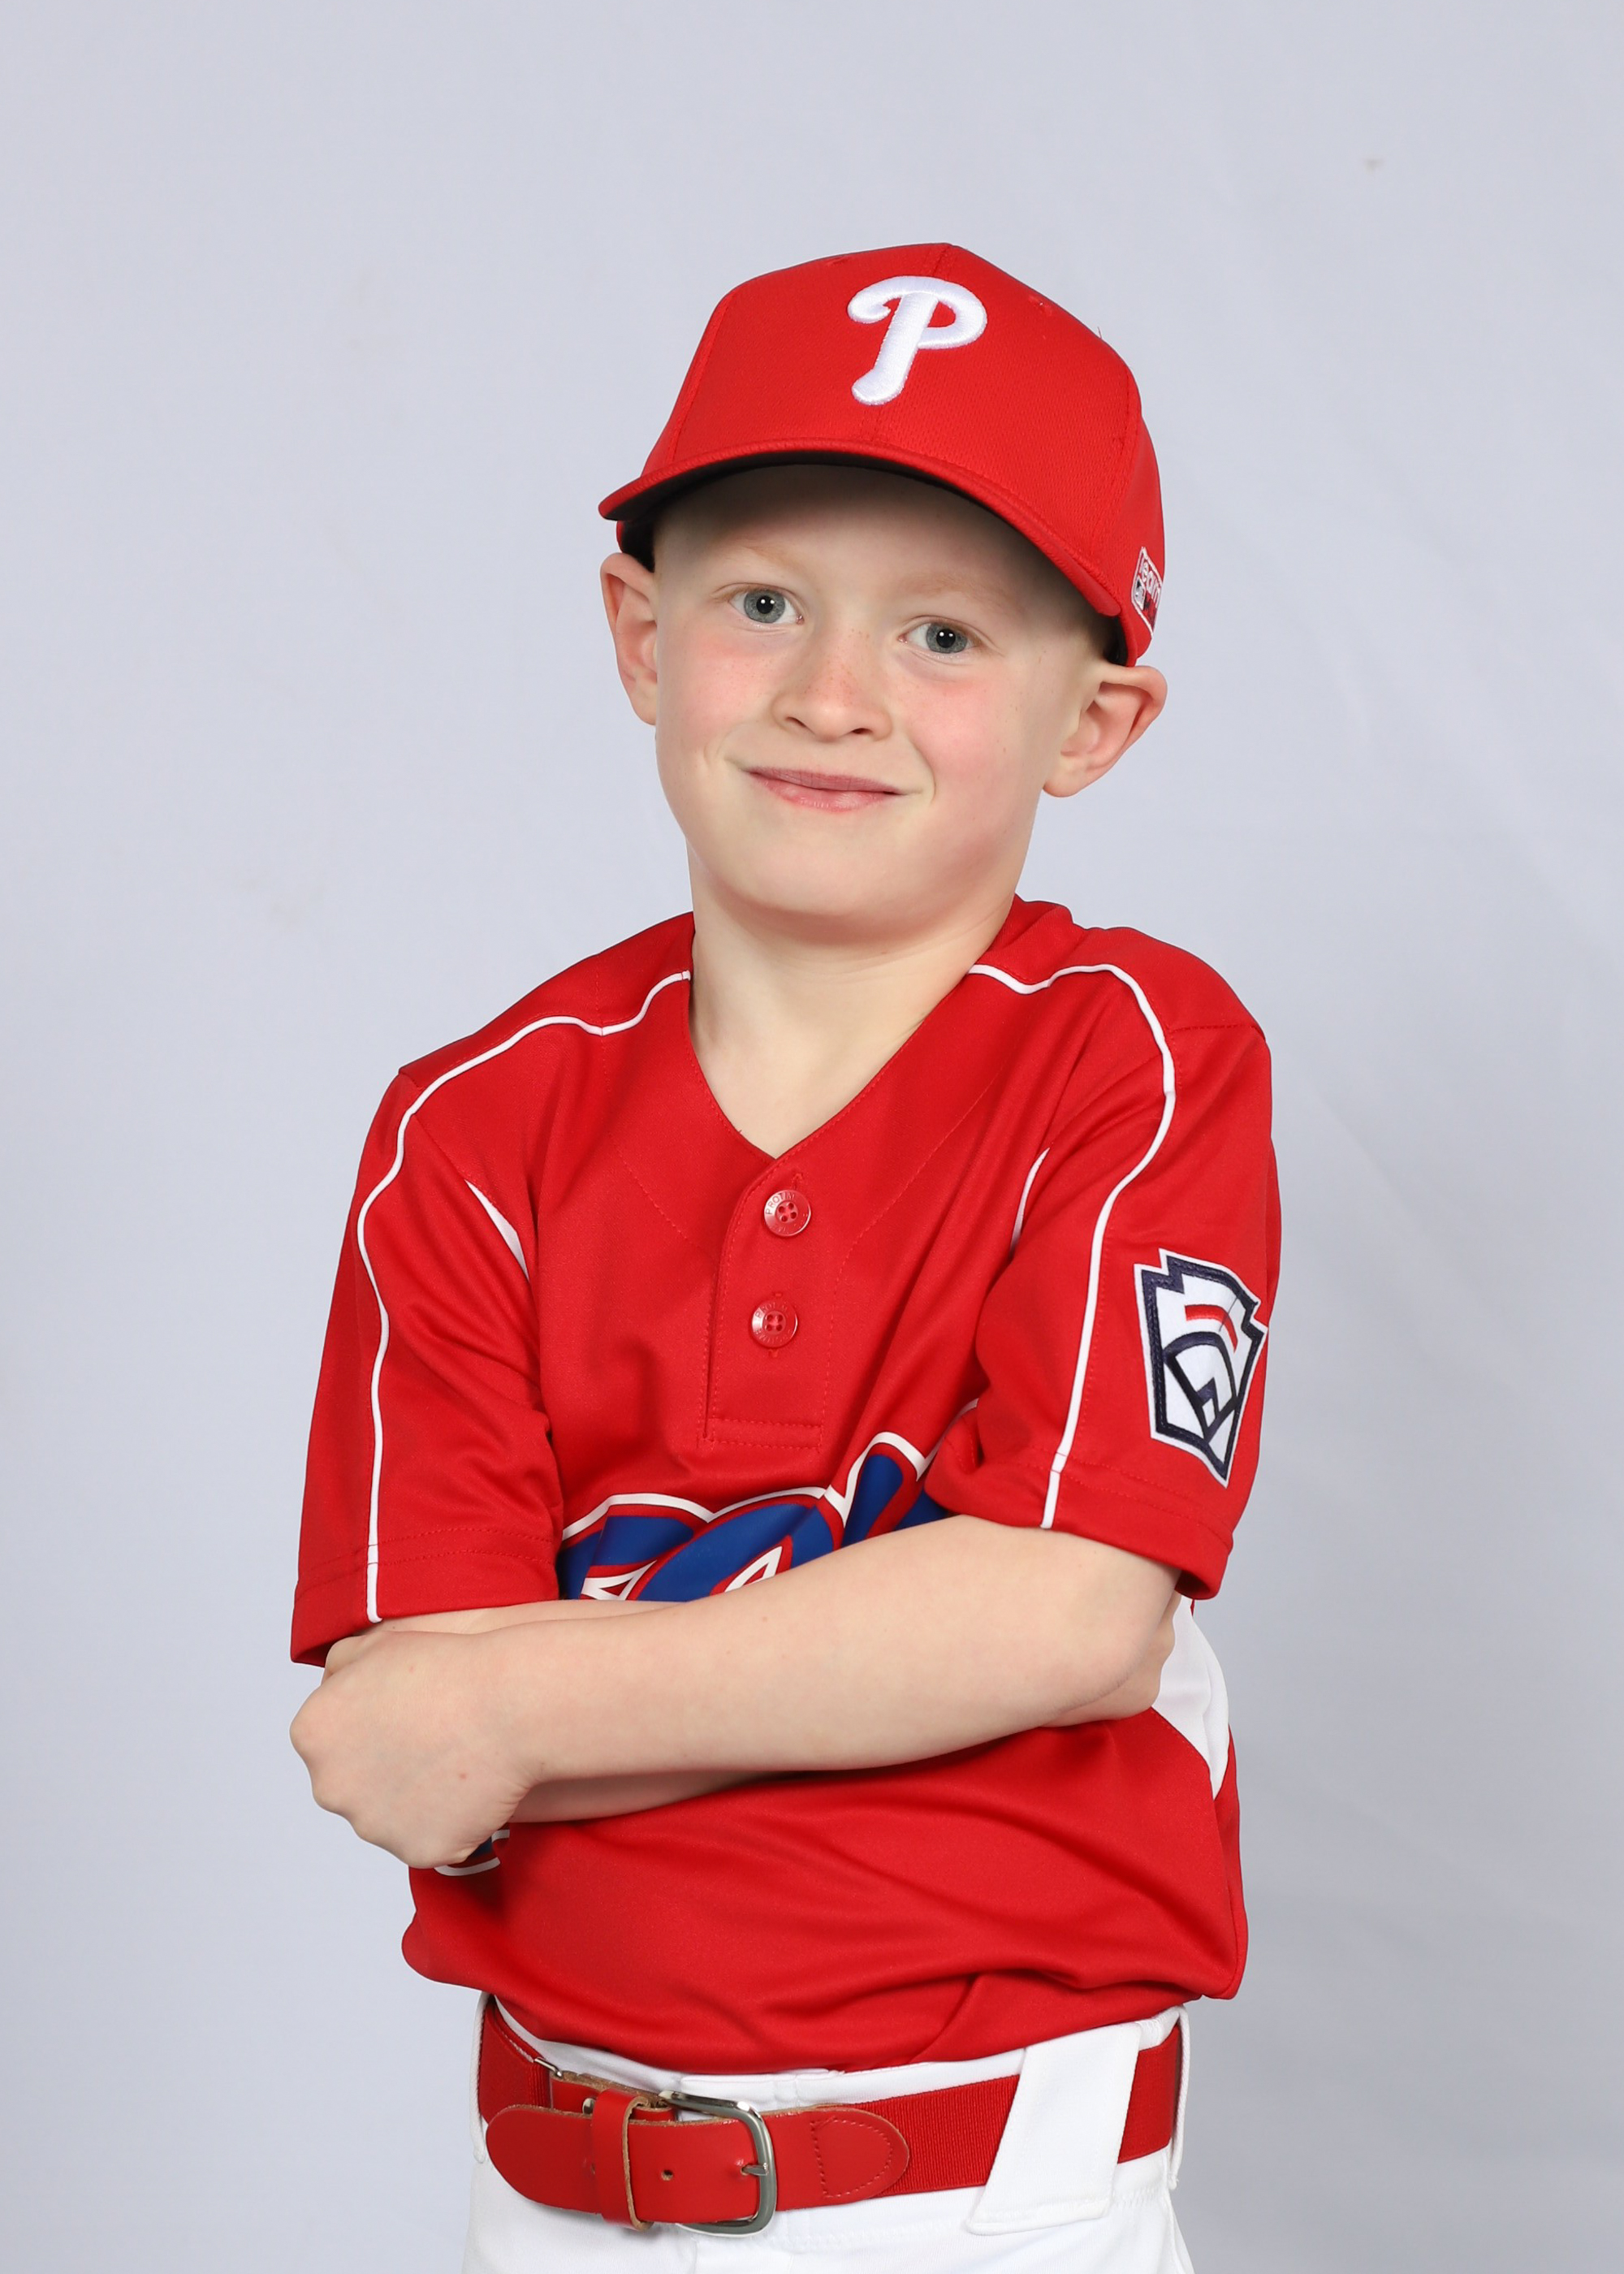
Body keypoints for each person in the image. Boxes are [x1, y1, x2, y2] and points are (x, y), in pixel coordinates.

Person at [291, 244, 1278, 2274]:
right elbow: (405, 1735)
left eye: (942, 632)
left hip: (996, 2202)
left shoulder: (1133, 1053)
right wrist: (881, 1652)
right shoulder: (472, 1123)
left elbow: (1068, 1616)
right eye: (761, 602)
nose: (834, 692)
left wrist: (535, 1701)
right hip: (553, 2185)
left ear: (1092, 719)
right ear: (638, 634)